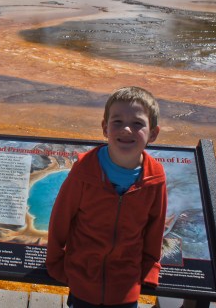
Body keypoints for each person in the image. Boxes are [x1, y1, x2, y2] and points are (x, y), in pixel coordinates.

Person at [45, 86, 167, 308]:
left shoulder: (155, 177)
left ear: (153, 133)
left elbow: (155, 226)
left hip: (126, 282)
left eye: (138, 123)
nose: (126, 129)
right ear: (105, 127)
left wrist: (150, 268)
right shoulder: (85, 170)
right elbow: (61, 218)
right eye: (117, 122)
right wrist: (55, 261)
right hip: (83, 276)